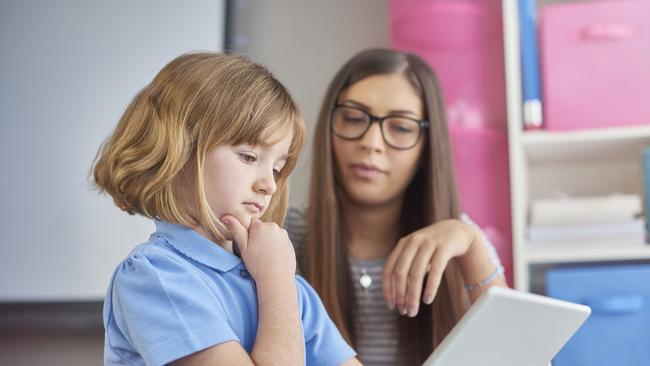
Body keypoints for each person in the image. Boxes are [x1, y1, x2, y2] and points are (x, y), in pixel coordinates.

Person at [93, 52, 361, 366]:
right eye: (248, 157)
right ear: (179, 151)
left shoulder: (287, 289)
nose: (270, 186)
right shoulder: (155, 276)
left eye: (276, 169)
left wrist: (278, 282)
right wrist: (276, 283)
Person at [285, 48, 508, 365]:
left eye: (400, 128)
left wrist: (472, 249)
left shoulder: (461, 244)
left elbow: (521, 357)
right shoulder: (283, 239)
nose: (372, 142)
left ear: (427, 148)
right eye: (353, 118)